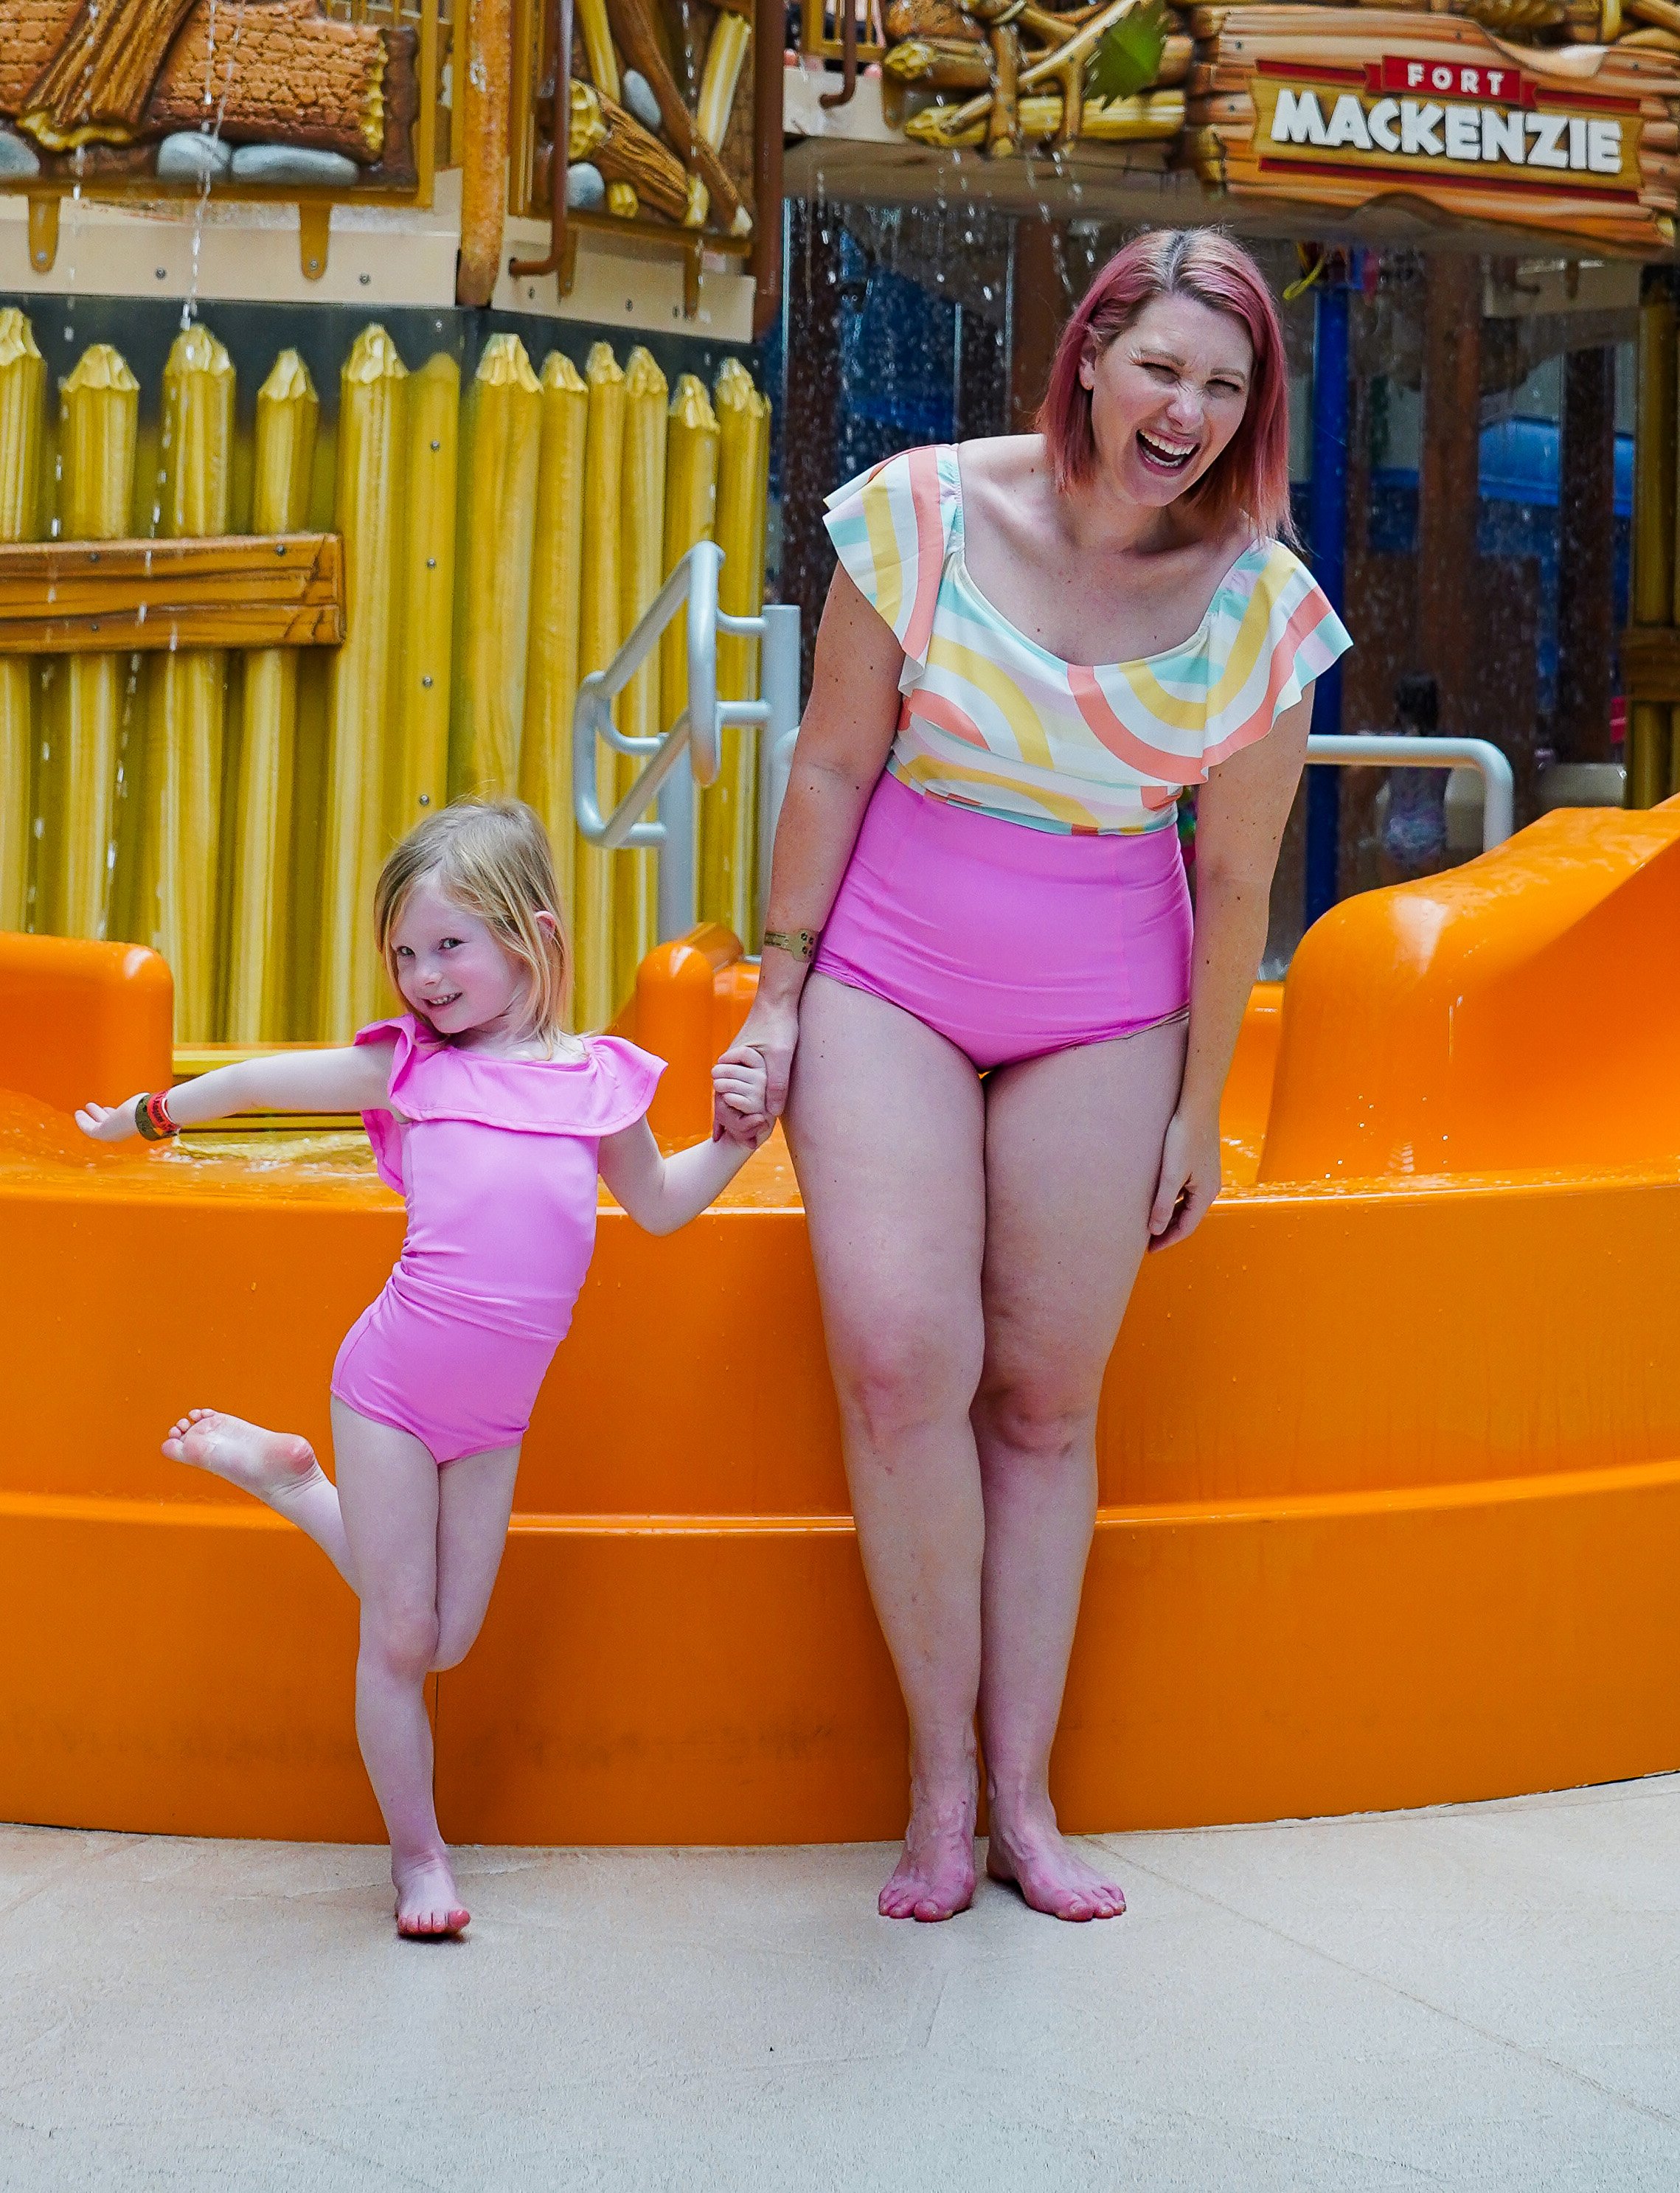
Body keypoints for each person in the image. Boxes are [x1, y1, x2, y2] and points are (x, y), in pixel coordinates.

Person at [726, 229, 1352, 1924]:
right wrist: (776, 997)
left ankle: (1025, 1794)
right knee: (899, 1348)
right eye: (1161, 367)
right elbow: (837, 757)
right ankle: (935, 1789)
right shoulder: (919, 512)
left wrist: (1195, 1103)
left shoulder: (1262, 609)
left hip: (1105, 989)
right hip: (891, 966)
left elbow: (1235, 882)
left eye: (1226, 387)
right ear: (1086, 355)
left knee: (1045, 1396)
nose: (1189, 412)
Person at [77, 799, 768, 1941]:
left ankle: (296, 1482)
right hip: (390, 1386)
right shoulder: (404, 1068)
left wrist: (736, 1143)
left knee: (447, 1638)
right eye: (405, 951)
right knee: (399, 1639)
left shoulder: (597, 1083)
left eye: (450, 945)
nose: (424, 975)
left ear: (532, 938)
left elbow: (655, 1207)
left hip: (494, 1416)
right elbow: (250, 1080)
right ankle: (420, 1859)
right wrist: (141, 1115)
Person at [1377, 672, 1449, 885]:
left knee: (1391, 902)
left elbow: (1355, 770)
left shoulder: (1389, 743)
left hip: (1395, 830)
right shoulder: (1445, 743)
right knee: (1432, 904)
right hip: (1431, 831)